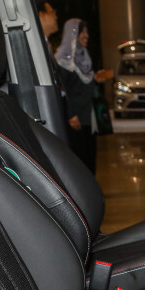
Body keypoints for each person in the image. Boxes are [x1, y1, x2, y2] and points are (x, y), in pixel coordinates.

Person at [54, 19, 113, 174]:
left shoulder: (85, 58)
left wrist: (96, 78)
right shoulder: (62, 60)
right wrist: (70, 114)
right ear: (72, 34)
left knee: (90, 158)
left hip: (89, 116)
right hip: (74, 119)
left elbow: (83, 84)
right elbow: (62, 90)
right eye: (82, 32)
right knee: (78, 160)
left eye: (87, 31)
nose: (86, 35)